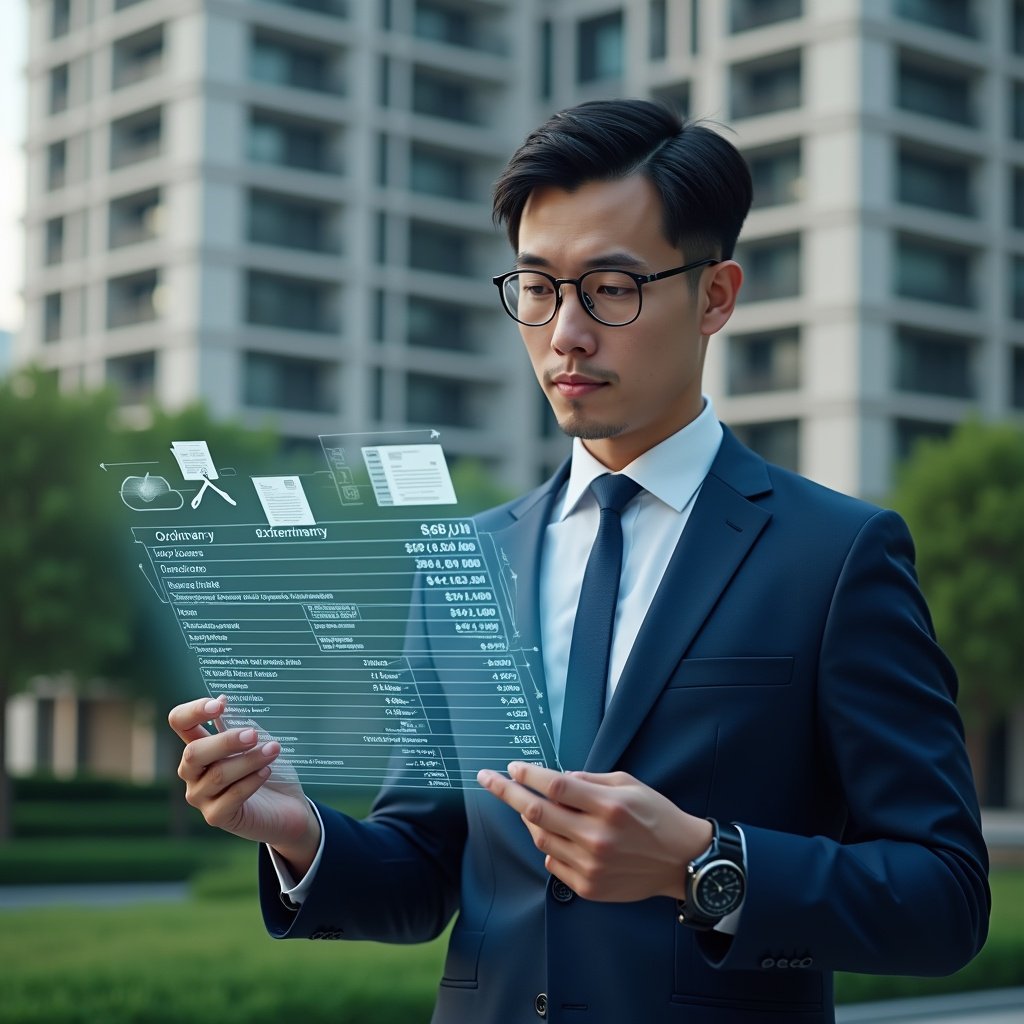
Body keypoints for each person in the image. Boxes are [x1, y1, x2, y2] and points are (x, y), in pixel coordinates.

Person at [168, 99, 989, 1023]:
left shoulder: (834, 556)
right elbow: (429, 867)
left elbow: (947, 896)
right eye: (537, 286)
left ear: (715, 297)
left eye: (611, 287)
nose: (565, 332)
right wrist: (299, 832)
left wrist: (702, 863)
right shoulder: (464, 562)